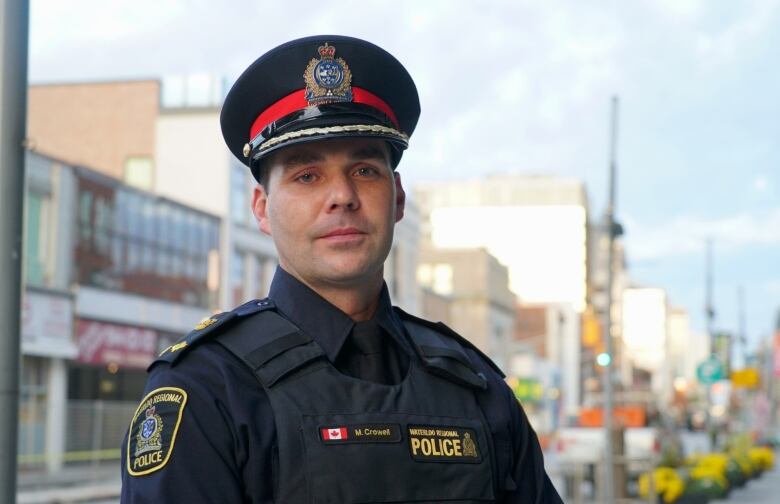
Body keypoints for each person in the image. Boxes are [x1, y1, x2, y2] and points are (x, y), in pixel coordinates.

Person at [121, 35, 562, 503]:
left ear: (397, 199)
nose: (343, 196)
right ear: (262, 209)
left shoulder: (476, 388)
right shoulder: (207, 389)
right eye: (307, 176)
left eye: (365, 171)